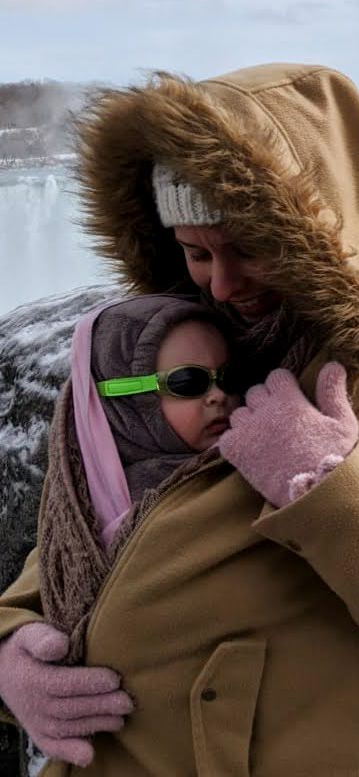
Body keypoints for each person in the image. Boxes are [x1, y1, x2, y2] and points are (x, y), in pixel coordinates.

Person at [0, 63, 359, 776]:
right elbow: (102, 512)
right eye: (195, 252)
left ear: (310, 230)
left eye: (250, 247)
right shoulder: (182, 340)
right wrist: (13, 641)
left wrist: (324, 484)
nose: (222, 282)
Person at [0, 294, 243, 766]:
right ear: (125, 399)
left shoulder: (258, 481)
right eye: (188, 382)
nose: (219, 395)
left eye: (228, 378)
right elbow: (27, 595)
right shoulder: (82, 509)